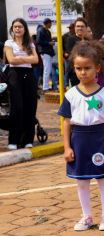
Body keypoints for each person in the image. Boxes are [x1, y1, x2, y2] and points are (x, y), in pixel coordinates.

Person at [57, 40, 104, 231]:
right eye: (78, 68)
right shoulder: (71, 95)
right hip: (79, 140)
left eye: (87, 68)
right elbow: (66, 122)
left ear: (98, 68)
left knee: (103, 179)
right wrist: (67, 147)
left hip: (100, 139)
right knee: (82, 181)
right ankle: (86, 216)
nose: (83, 72)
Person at [4, 18, 39, 150]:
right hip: (14, 75)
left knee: (30, 106)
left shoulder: (30, 43)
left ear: (24, 29)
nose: (17, 29)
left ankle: (28, 139)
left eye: (20, 27)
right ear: (12, 29)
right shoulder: (9, 43)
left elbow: (35, 59)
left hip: (29, 74)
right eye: (15, 27)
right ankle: (13, 140)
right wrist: (26, 59)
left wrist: (20, 58)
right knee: (17, 107)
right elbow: (11, 60)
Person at [64, 17, 88, 87]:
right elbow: (72, 55)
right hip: (75, 72)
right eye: (78, 26)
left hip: (87, 71)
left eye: (82, 26)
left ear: (86, 28)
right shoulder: (71, 39)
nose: (80, 28)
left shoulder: (88, 40)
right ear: (74, 28)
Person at [36, 18, 55, 92]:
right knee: (47, 70)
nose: (51, 24)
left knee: (48, 70)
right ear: (47, 23)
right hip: (45, 52)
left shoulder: (47, 31)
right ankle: (45, 87)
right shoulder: (41, 30)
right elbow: (38, 41)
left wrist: (50, 42)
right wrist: (48, 43)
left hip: (48, 51)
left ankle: (46, 86)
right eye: (50, 23)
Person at [62, 22, 75, 87]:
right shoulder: (65, 36)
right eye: (69, 28)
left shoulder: (76, 36)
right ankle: (66, 84)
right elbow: (61, 46)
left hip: (75, 56)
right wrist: (64, 53)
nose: (70, 29)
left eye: (71, 28)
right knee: (67, 70)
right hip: (68, 56)